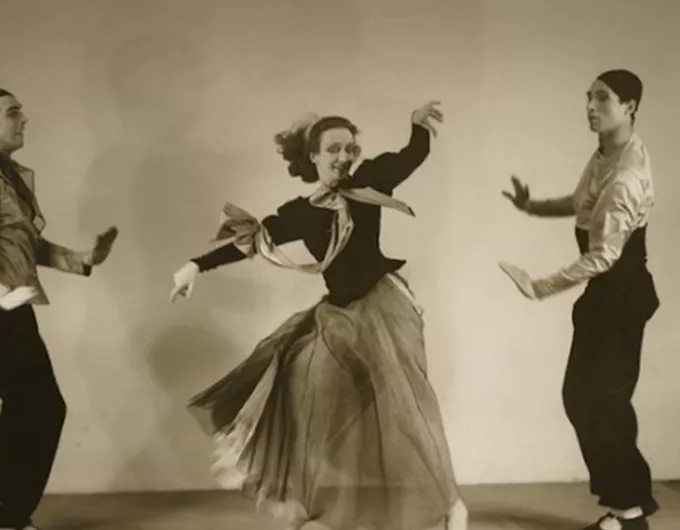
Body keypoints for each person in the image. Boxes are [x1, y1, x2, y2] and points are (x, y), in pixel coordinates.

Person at [170, 101, 468, 530]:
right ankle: (316, 508)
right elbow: (252, 242)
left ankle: (451, 505)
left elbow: (410, 158)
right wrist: (196, 264)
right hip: (339, 315)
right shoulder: (301, 212)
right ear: (313, 156)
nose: (344, 157)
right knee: (305, 390)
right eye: (334, 149)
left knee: (406, 405)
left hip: (384, 307)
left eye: (350, 149)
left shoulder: (368, 183)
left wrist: (417, 129)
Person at [0, 87, 118, 530]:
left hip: (8, 310)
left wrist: (84, 260)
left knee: (27, 414)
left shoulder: (8, 175)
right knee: (39, 411)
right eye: (12, 114)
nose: (23, 120)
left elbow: (25, 244)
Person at [499, 69, 659, 530]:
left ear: (629, 106)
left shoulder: (628, 174)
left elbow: (604, 255)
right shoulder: (608, 153)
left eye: (602, 99)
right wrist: (533, 206)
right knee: (585, 399)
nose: (590, 107)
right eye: (588, 98)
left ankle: (629, 512)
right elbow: (584, 201)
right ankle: (626, 508)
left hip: (621, 295)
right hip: (607, 296)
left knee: (601, 403)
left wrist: (538, 286)